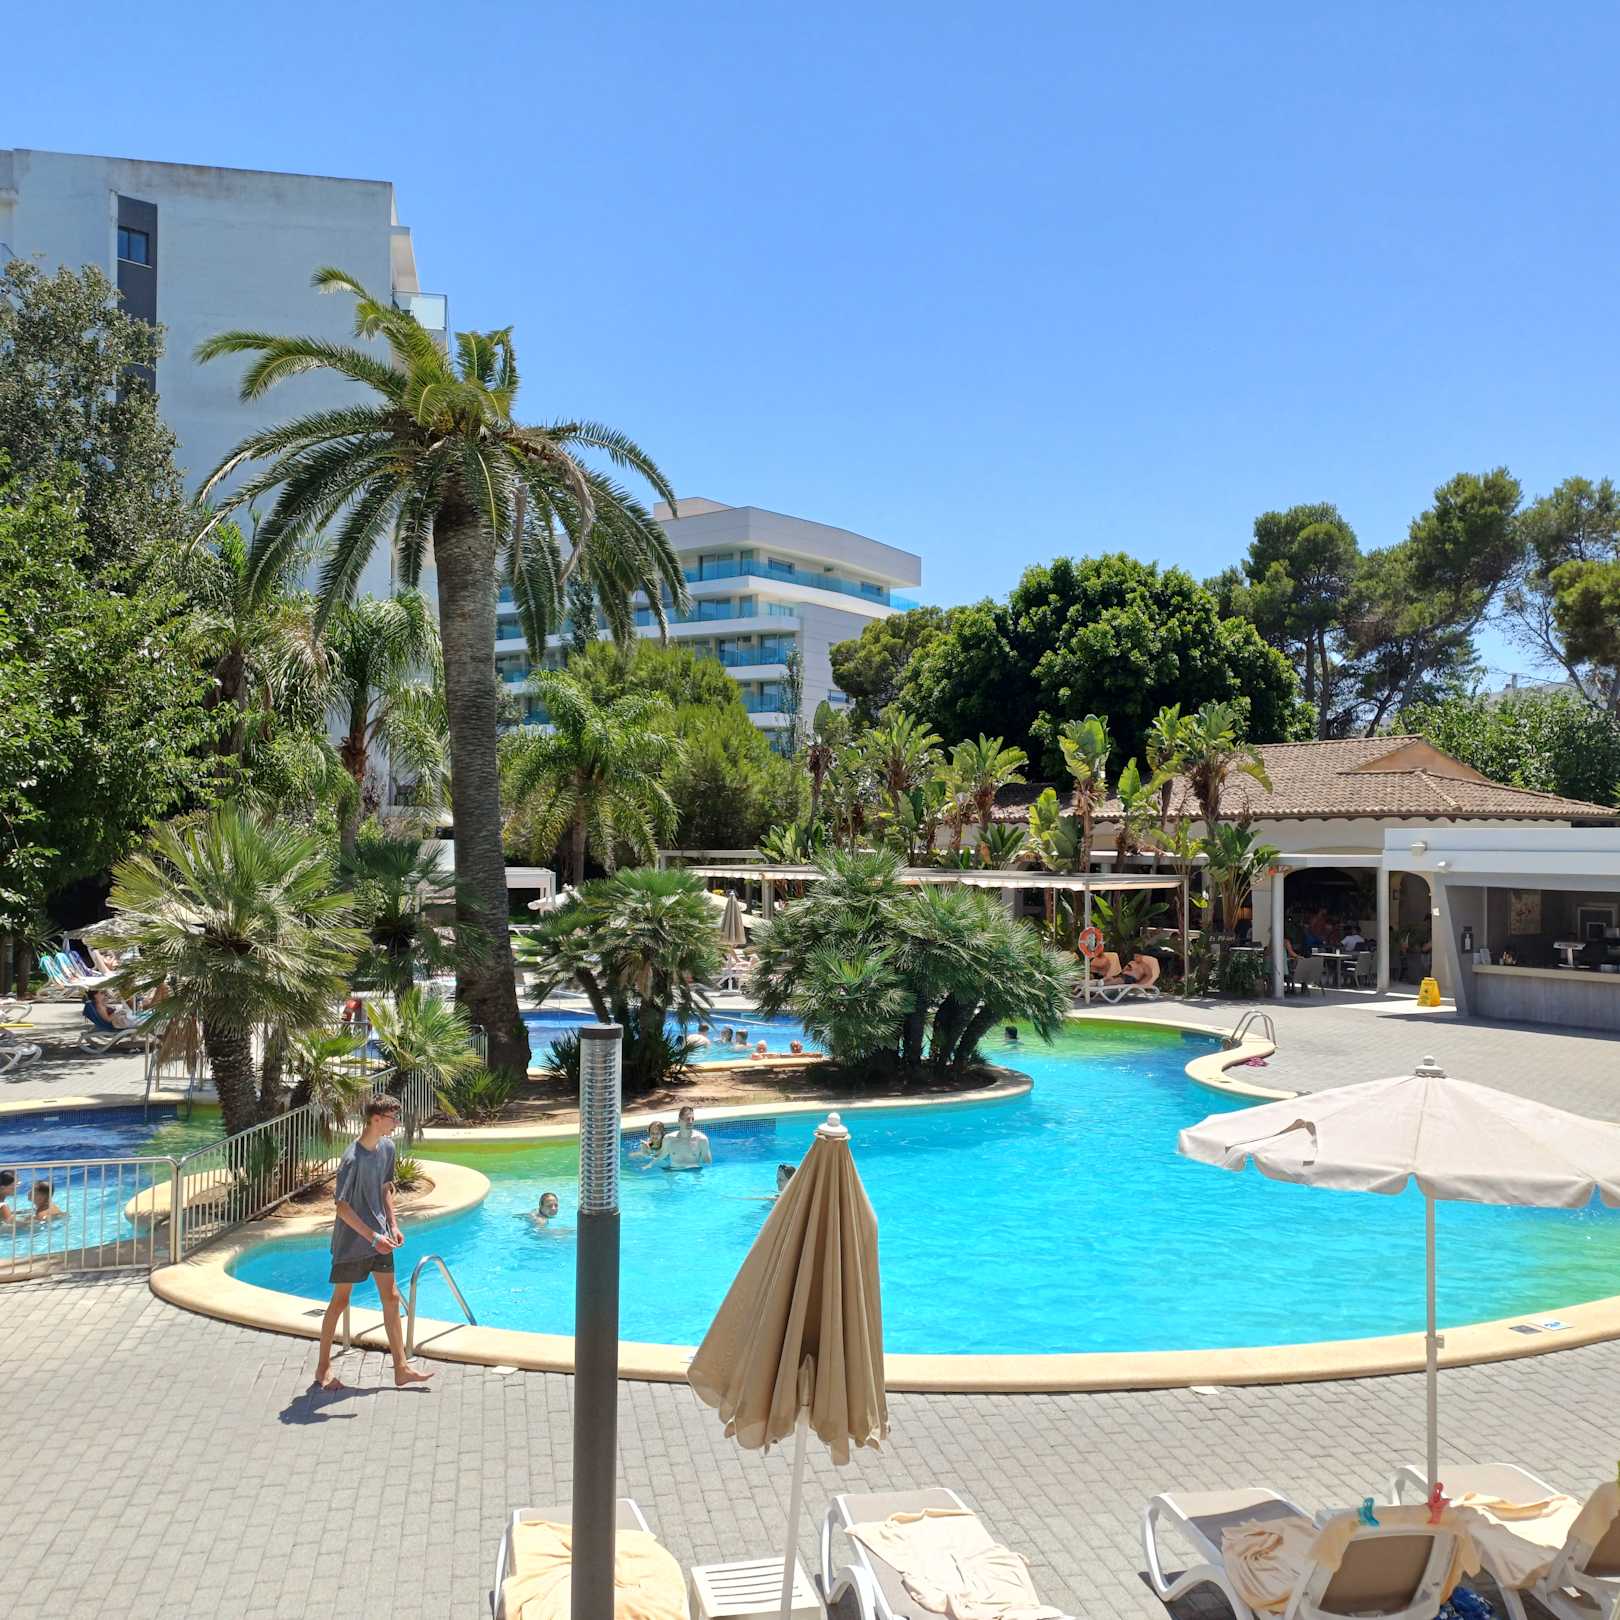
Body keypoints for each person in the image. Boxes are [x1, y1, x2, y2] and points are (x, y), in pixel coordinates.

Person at [313, 1095, 433, 1392]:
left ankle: (401, 1368)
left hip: (381, 1235)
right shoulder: (352, 1158)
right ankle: (323, 1367)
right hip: (353, 1240)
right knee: (340, 1301)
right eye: (393, 1118)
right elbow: (341, 1207)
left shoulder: (387, 1148)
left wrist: (392, 1224)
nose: (397, 1123)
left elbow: (385, 1188)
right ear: (376, 1119)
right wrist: (373, 1237)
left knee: (391, 1297)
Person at [641, 1104, 712, 1170]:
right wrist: (649, 1162)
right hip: (674, 1172)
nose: (690, 1122)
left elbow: (707, 1163)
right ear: (679, 1121)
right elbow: (660, 1156)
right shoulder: (669, 1139)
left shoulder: (702, 1140)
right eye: (687, 1119)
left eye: (692, 1119)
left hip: (693, 1172)